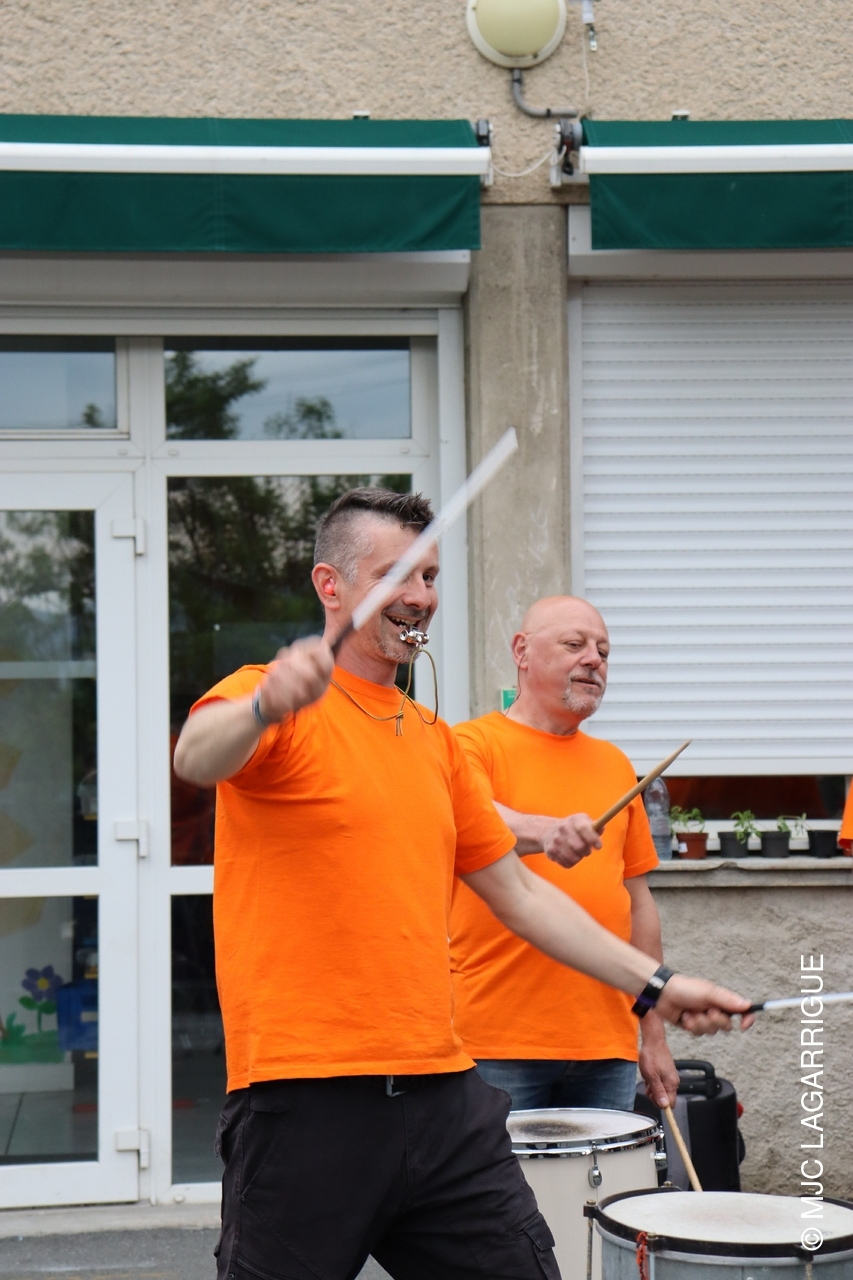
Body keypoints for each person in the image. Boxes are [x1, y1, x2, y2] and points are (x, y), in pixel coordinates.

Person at [174, 488, 752, 1280]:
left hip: (443, 1092)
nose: (419, 596)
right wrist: (267, 703)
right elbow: (196, 756)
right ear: (330, 585)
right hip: (306, 1095)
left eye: (430, 577)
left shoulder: (433, 742)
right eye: (397, 575)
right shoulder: (270, 698)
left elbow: (520, 893)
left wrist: (656, 985)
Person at [451, 595, 680, 1114]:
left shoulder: (615, 764)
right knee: (497, 1173)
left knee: (606, 1175)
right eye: (574, 645)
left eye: (603, 651)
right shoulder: (469, 744)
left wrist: (654, 1035)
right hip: (495, 1040)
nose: (594, 660)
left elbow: (638, 907)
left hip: (607, 1043)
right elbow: (473, 818)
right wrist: (547, 830)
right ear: (522, 652)